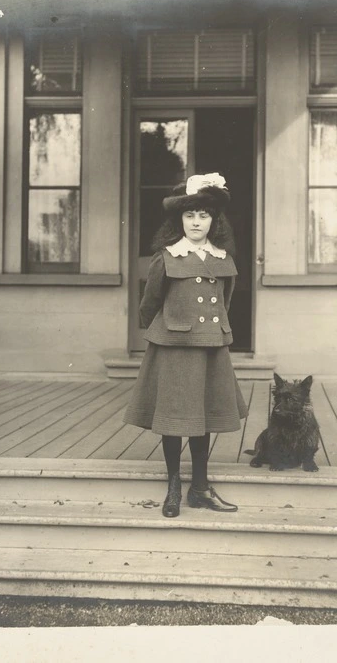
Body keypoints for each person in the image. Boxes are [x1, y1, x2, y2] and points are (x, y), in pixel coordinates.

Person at [124, 173, 248, 518]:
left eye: (204, 216)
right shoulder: (167, 257)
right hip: (174, 346)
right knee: (174, 418)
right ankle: (174, 486)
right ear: (179, 220)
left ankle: (201, 487)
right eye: (189, 215)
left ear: (214, 221)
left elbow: (226, 299)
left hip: (210, 345)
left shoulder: (223, 258)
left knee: (203, 416)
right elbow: (149, 304)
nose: (196, 222)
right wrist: (165, 332)